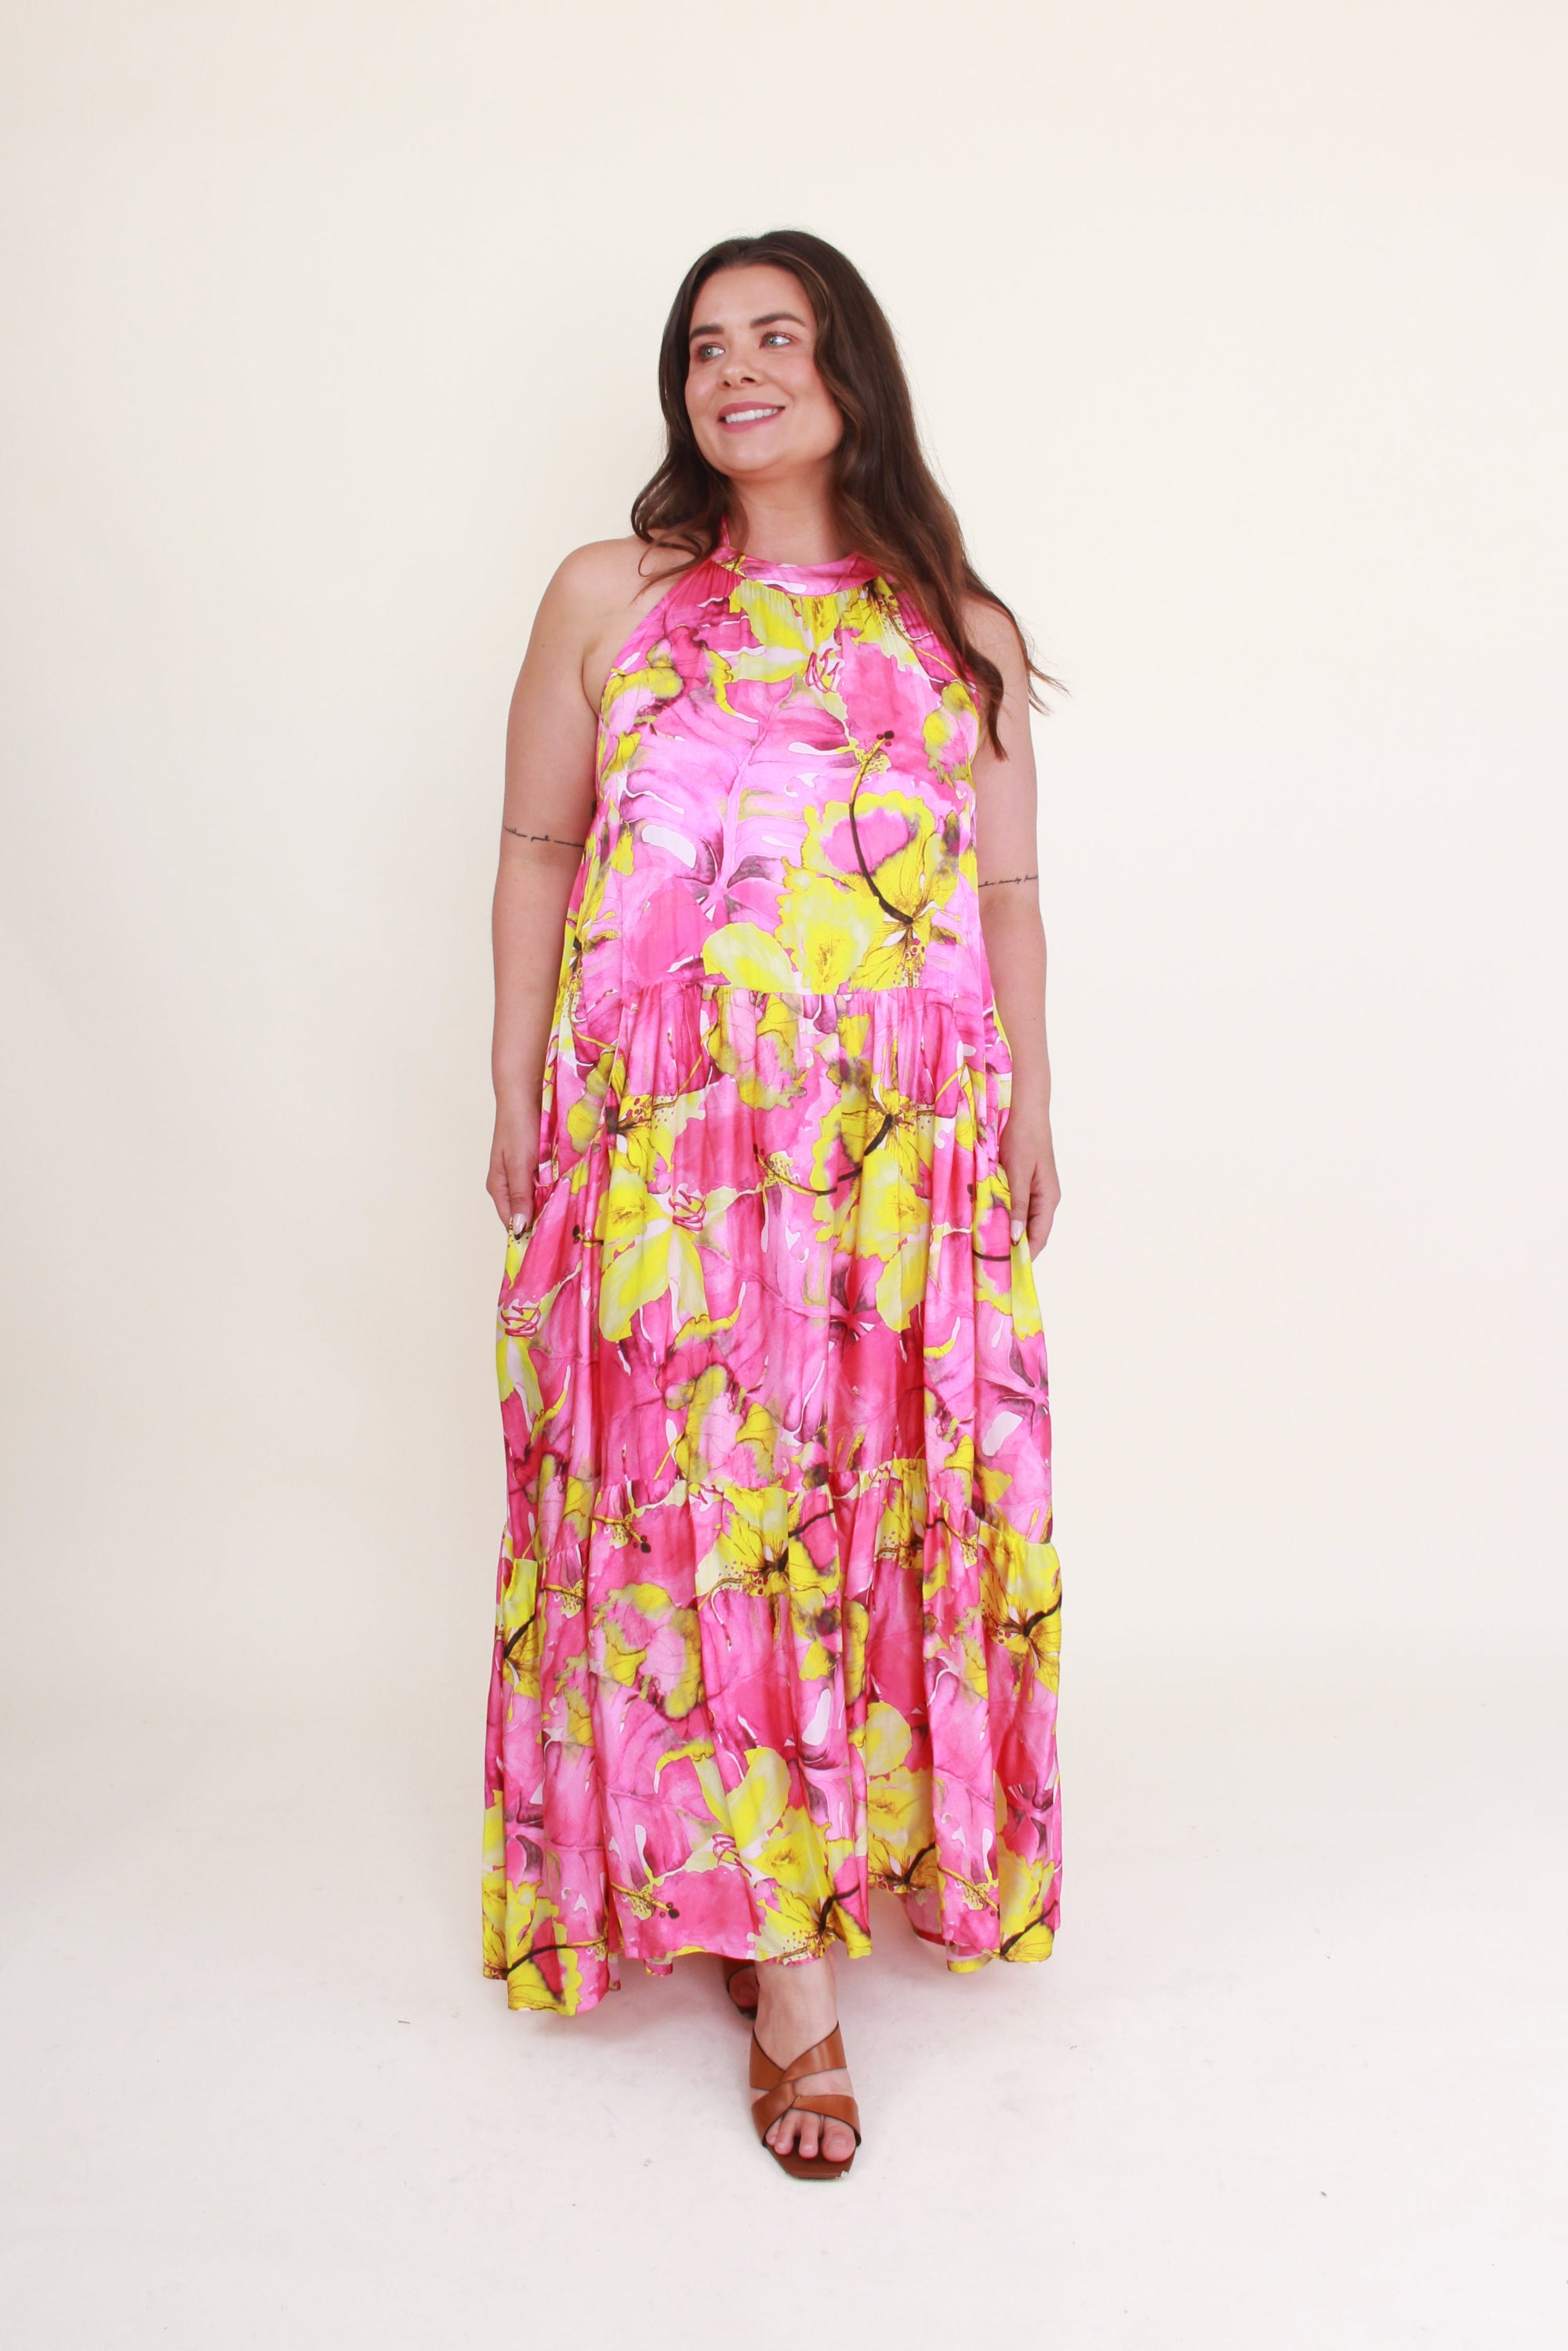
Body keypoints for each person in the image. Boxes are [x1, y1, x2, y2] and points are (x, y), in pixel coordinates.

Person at [481, 229, 1063, 2181]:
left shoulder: (952, 624)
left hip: (894, 1163)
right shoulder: (614, 594)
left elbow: (1002, 894)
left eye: (775, 339)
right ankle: (792, 1980)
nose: (734, 373)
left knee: (858, 1514)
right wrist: (513, 1083)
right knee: (699, 1530)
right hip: (667, 1153)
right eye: (704, 348)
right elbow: (540, 843)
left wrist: (1034, 1102)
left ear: (848, 373)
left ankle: (779, 1876)